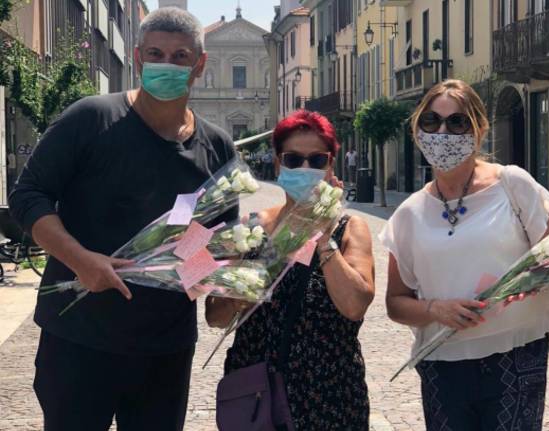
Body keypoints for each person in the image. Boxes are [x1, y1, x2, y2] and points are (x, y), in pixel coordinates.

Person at [9, 8, 237, 431]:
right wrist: (80, 259)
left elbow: (216, 242)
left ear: (200, 64)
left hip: (164, 350)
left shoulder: (217, 148)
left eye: (180, 57)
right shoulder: (91, 118)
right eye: (155, 53)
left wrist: (220, 282)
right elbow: (27, 196)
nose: (165, 65)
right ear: (136, 58)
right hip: (78, 338)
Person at [381, 79, 549, 431]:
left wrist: (530, 280)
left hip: (517, 353)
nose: (443, 132)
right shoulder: (408, 214)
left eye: (457, 122)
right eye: (431, 122)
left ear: (479, 130)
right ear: (417, 131)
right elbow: (395, 303)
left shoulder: (513, 185)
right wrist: (435, 309)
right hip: (443, 364)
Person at [206, 110, 375, 430]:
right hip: (258, 393)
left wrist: (324, 239)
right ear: (278, 164)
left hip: (330, 395)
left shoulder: (350, 228)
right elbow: (215, 317)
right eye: (294, 160)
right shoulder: (248, 228)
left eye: (317, 160)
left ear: (331, 167)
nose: (305, 168)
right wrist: (234, 297)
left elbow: (354, 305)